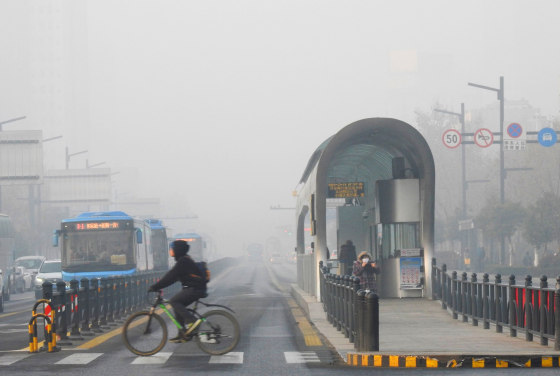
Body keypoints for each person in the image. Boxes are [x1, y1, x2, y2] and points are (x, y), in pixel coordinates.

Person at [148, 240, 207, 342]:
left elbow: (170, 276)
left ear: (177, 250)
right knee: (177, 305)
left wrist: (155, 287)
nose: (170, 250)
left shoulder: (183, 261)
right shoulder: (184, 260)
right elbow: (172, 278)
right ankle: (182, 333)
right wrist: (159, 286)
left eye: (172, 248)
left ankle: (192, 321)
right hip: (195, 288)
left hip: (195, 289)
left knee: (174, 301)